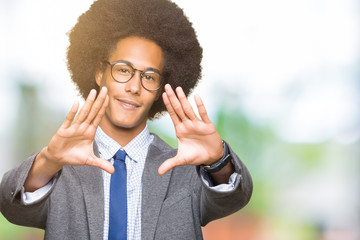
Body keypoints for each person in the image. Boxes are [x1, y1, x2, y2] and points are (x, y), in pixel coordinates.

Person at [0, 0, 253, 239]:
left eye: (149, 76)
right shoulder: (58, 166)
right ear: (100, 73)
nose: (134, 87)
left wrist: (219, 161)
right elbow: (10, 206)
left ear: (159, 89)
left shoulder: (185, 168)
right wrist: (48, 161)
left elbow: (235, 197)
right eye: (123, 70)